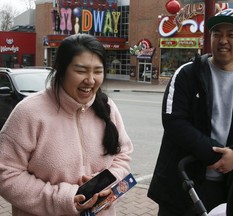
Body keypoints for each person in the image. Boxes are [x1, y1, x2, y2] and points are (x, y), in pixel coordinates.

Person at [148, 8, 233, 216]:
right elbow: (174, 122)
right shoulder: (188, 74)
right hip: (182, 185)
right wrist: (215, 154)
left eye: (231, 34)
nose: (223, 40)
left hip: (227, 187)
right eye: (217, 34)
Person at [0, 34, 133, 216]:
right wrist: (63, 198)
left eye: (97, 71)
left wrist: (109, 181)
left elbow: (123, 156)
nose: (90, 80)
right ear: (61, 70)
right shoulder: (28, 112)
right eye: (81, 70)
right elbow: (6, 173)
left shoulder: (108, 108)